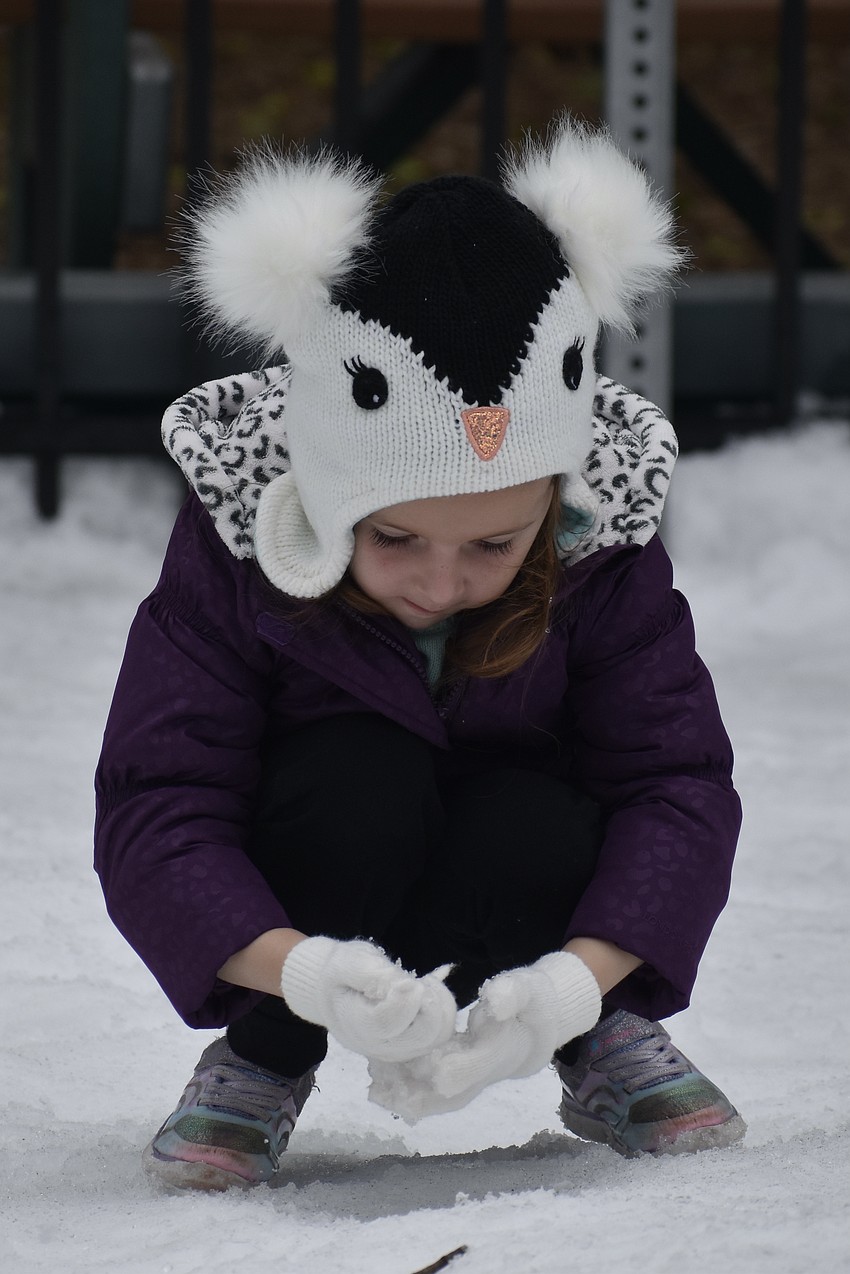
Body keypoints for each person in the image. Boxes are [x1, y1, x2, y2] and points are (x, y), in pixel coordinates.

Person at [94, 117, 745, 1193]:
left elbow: (673, 785)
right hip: (317, 878)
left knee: (532, 812)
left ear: (550, 501)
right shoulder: (236, 546)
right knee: (358, 777)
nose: (440, 584)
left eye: (494, 544)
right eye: (392, 536)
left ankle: (602, 1043)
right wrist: (295, 972)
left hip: (519, 892)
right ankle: (263, 1054)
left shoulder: (604, 553)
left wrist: (575, 987)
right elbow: (160, 800)